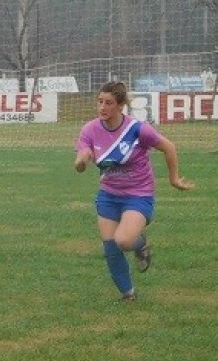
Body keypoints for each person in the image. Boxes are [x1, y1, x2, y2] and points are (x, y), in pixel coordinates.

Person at [74, 81, 194, 301]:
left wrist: (174, 178)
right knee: (110, 246)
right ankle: (128, 294)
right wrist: (82, 161)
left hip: (139, 194)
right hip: (108, 195)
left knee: (125, 241)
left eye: (108, 103)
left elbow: (169, 147)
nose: (102, 107)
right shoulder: (90, 129)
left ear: (120, 106)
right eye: (99, 102)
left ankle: (141, 244)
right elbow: (80, 162)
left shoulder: (137, 129)